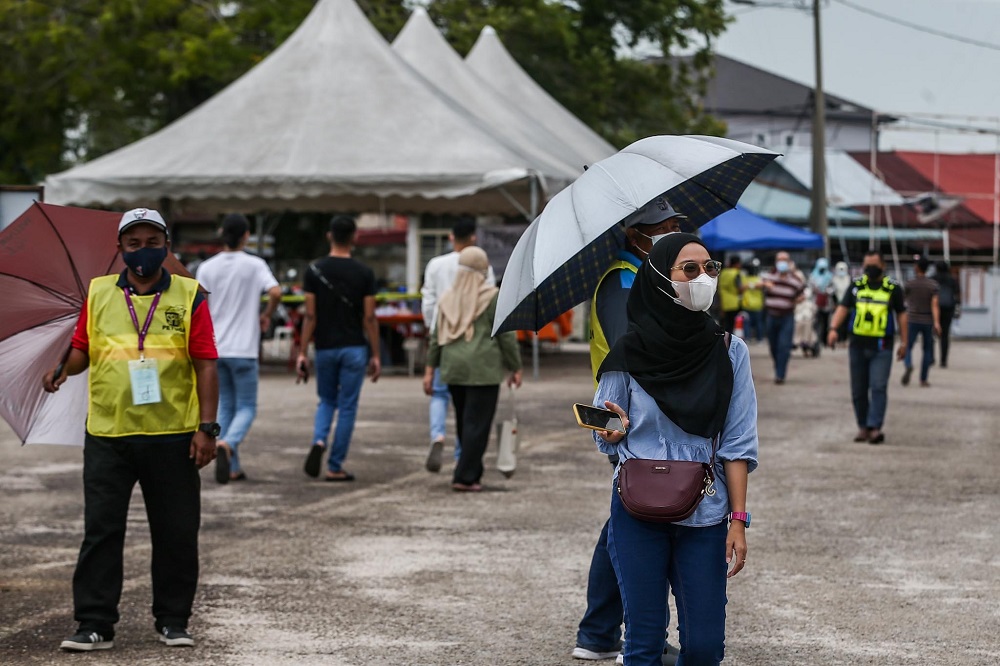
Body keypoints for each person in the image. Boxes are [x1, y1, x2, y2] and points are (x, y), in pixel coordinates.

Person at [42, 207, 219, 652]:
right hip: (109, 433)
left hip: (173, 434)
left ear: (167, 247)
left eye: (152, 242)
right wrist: (64, 365)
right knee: (101, 531)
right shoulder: (98, 293)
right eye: (134, 243)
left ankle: (173, 620)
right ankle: (94, 624)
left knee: (176, 531)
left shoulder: (190, 294)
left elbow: (206, 363)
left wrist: (207, 428)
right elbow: (84, 350)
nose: (143, 251)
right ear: (119, 249)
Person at [594, 233, 758, 666]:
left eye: (710, 268)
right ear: (661, 278)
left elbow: (738, 444)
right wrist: (611, 430)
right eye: (691, 269)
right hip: (636, 507)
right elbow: (602, 425)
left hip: (704, 510)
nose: (704, 277)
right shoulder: (628, 352)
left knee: (705, 648)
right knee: (644, 642)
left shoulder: (730, 351)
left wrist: (738, 521)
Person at [577, 197, 685, 665]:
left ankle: (598, 631)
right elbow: (632, 349)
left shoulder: (645, 276)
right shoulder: (622, 280)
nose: (672, 231)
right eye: (663, 227)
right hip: (624, 416)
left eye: (677, 224)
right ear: (635, 235)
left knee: (625, 518)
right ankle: (640, 637)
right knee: (637, 520)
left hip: (638, 412)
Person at [422, 247, 522, 491]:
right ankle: (465, 476)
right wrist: (515, 366)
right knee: (478, 425)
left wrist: (429, 370)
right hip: (482, 369)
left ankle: (471, 472)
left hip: (453, 368)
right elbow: (505, 335)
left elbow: (436, 337)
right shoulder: (491, 296)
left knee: (465, 423)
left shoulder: (447, 297)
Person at [196, 213, 281, 483]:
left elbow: (198, 304)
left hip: (215, 348)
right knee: (246, 407)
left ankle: (233, 467)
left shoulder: (207, 268)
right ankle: (228, 444)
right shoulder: (255, 264)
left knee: (226, 407)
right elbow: (276, 292)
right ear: (246, 236)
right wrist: (267, 313)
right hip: (244, 348)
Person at [299, 215, 381, 482]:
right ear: (354, 237)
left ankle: (319, 440)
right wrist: (376, 354)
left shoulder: (313, 271)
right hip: (354, 347)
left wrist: (302, 351)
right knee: (347, 406)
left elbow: (310, 316)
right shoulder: (365, 273)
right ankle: (335, 465)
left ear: (329, 236)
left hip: (325, 347)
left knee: (326, 400)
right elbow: (369, 317)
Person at [420, 218, 496, 473]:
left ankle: (438, 434)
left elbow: (428, 302)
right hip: (476, 347)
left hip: (443, 342)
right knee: (473, 412)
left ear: (451, 237)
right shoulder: (482, 263)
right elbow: (491, 304)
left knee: (440, 395)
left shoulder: (435, 265)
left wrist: (436, 333)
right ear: (473, 237)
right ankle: (464, 459)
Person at [827, 251, 907, 444]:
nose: (869, 269)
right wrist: (833, 328)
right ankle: (862, 426)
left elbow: (902, 315)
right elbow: (843, 307)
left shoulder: (893, 288)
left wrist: (904, 342)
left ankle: (875, 427)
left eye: (873, 265)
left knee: (878, 386)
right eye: (866, 265)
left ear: (882, 266)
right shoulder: (856, 286)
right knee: (858, 389)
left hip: (882, 346)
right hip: (857, 345)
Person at [761, 251, 805, 384]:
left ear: (789, 261)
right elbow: (757, 287)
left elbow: (802, 294)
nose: (782, 262)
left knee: (784, 346)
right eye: (780, 259)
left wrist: (797, 300)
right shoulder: (769, 277)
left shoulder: (795, 280)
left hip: (787, 316)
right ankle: (778, 365)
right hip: (771, 316)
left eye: (784, 260)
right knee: (773, 346)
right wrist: (764, 285)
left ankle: (780, 374)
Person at [902, 257, 941, 388]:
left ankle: (908, 364)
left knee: (908, 346)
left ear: (917, 267)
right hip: (927, 320)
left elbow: (904, 300)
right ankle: (923, 379)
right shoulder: (933, 285)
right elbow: (935, 305)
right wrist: (936, 322)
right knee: (927, 350)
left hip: (912, 318)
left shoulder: (910, 283)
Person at [933, 261, 961, 368]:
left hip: (935, 308)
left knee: (931, 333)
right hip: (948, 308)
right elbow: (957, 295)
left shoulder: (933, 278)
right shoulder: (952, 280)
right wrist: (957, 309)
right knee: (945, 335)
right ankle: (943, 360)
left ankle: (930, 357)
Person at [808, 257, 834, 345]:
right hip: (815, 303)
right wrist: (815, 290)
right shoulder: (813, 276)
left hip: (826, 304)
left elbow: (833, 288)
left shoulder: (830, 276)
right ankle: (815, 340)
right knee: (815, 322)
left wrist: (827, 291)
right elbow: (809, 288)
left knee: (826, 322)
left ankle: (824, 340)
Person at [717, 256, 745, 335]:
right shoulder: (736, 273)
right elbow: (740, 288)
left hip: (723, 303)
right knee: (734, 326)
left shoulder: (723, 273)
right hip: (734, 303)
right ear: (737, 264)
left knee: (725, 325)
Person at [741, 259, 766, 343]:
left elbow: (762, 286)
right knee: (749, 323)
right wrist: (754, 286)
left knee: (756, 323)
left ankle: (756, 338)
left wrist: (750, 285)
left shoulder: (758, 279)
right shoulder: (754, 279)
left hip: (754, 304)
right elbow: (742, 287)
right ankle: (755, 338)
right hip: (750, 304)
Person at [830, 261, 853, 343]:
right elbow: (832, 292)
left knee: (847, 321)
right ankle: (839, 338)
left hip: (848, 304)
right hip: (838, 304)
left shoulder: (849, 279)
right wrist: (835, 303)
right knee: (838, 322)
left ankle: (846, 338)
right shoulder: (834, 280)